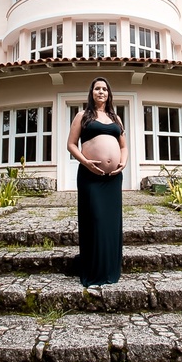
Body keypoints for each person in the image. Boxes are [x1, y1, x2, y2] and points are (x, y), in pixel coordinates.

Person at [66, 76, 127, 286]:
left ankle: (109, 269)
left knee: (110, 223)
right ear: (91, 93)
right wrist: (85, 162)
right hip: (90, 176)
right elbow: (71, 144)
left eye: (104, 89)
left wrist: (123, 162)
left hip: (113, 178)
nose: (101, 92)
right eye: (97, 88)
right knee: (95, 219)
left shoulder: (116, 118)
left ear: (109, 94)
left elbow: (123, 146)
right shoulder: (82, 116)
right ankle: (94, 270)